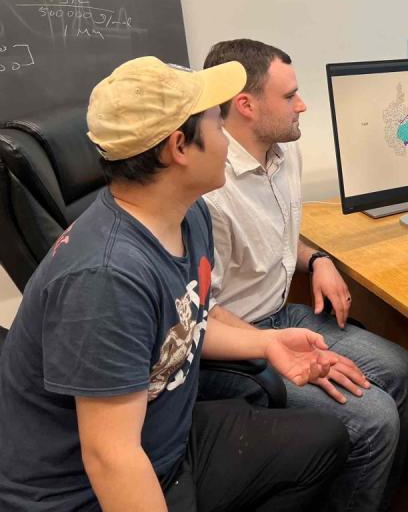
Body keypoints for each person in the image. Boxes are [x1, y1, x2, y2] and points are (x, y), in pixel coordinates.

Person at [0, 57, 350, 511]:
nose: (227, 139)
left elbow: (185, 323)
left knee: (323, 441)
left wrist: (266, 343)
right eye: (217, 125)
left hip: (168, 437)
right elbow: (112, 458)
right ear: (179, 147)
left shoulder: (188, 214)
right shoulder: (105, 278)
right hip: (85, 492)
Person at [198, 39, 408, 512]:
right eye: (290, 96)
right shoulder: (211, 189)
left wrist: (317, 259)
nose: (303, 105)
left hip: (279, 314)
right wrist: (276, 348)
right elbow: (199, 310)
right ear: (246, 105)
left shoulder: (282, 153)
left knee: (402, 369)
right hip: (235, 344)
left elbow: (277, 242)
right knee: (375, 416)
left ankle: (369, 497)